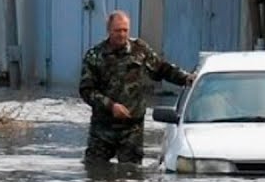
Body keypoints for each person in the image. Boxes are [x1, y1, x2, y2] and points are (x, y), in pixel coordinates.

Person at [78, 10, 194, 164]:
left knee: (131, 175)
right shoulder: (94, 55)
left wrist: (186, 78)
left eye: (125, 30)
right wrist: (111, 106)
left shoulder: (139, 50)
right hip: (102, 129)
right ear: (109, 30)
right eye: (117, 30)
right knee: (95, 172)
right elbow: (86, 90)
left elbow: (162, 69)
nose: (122, 34)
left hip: (132, 130)